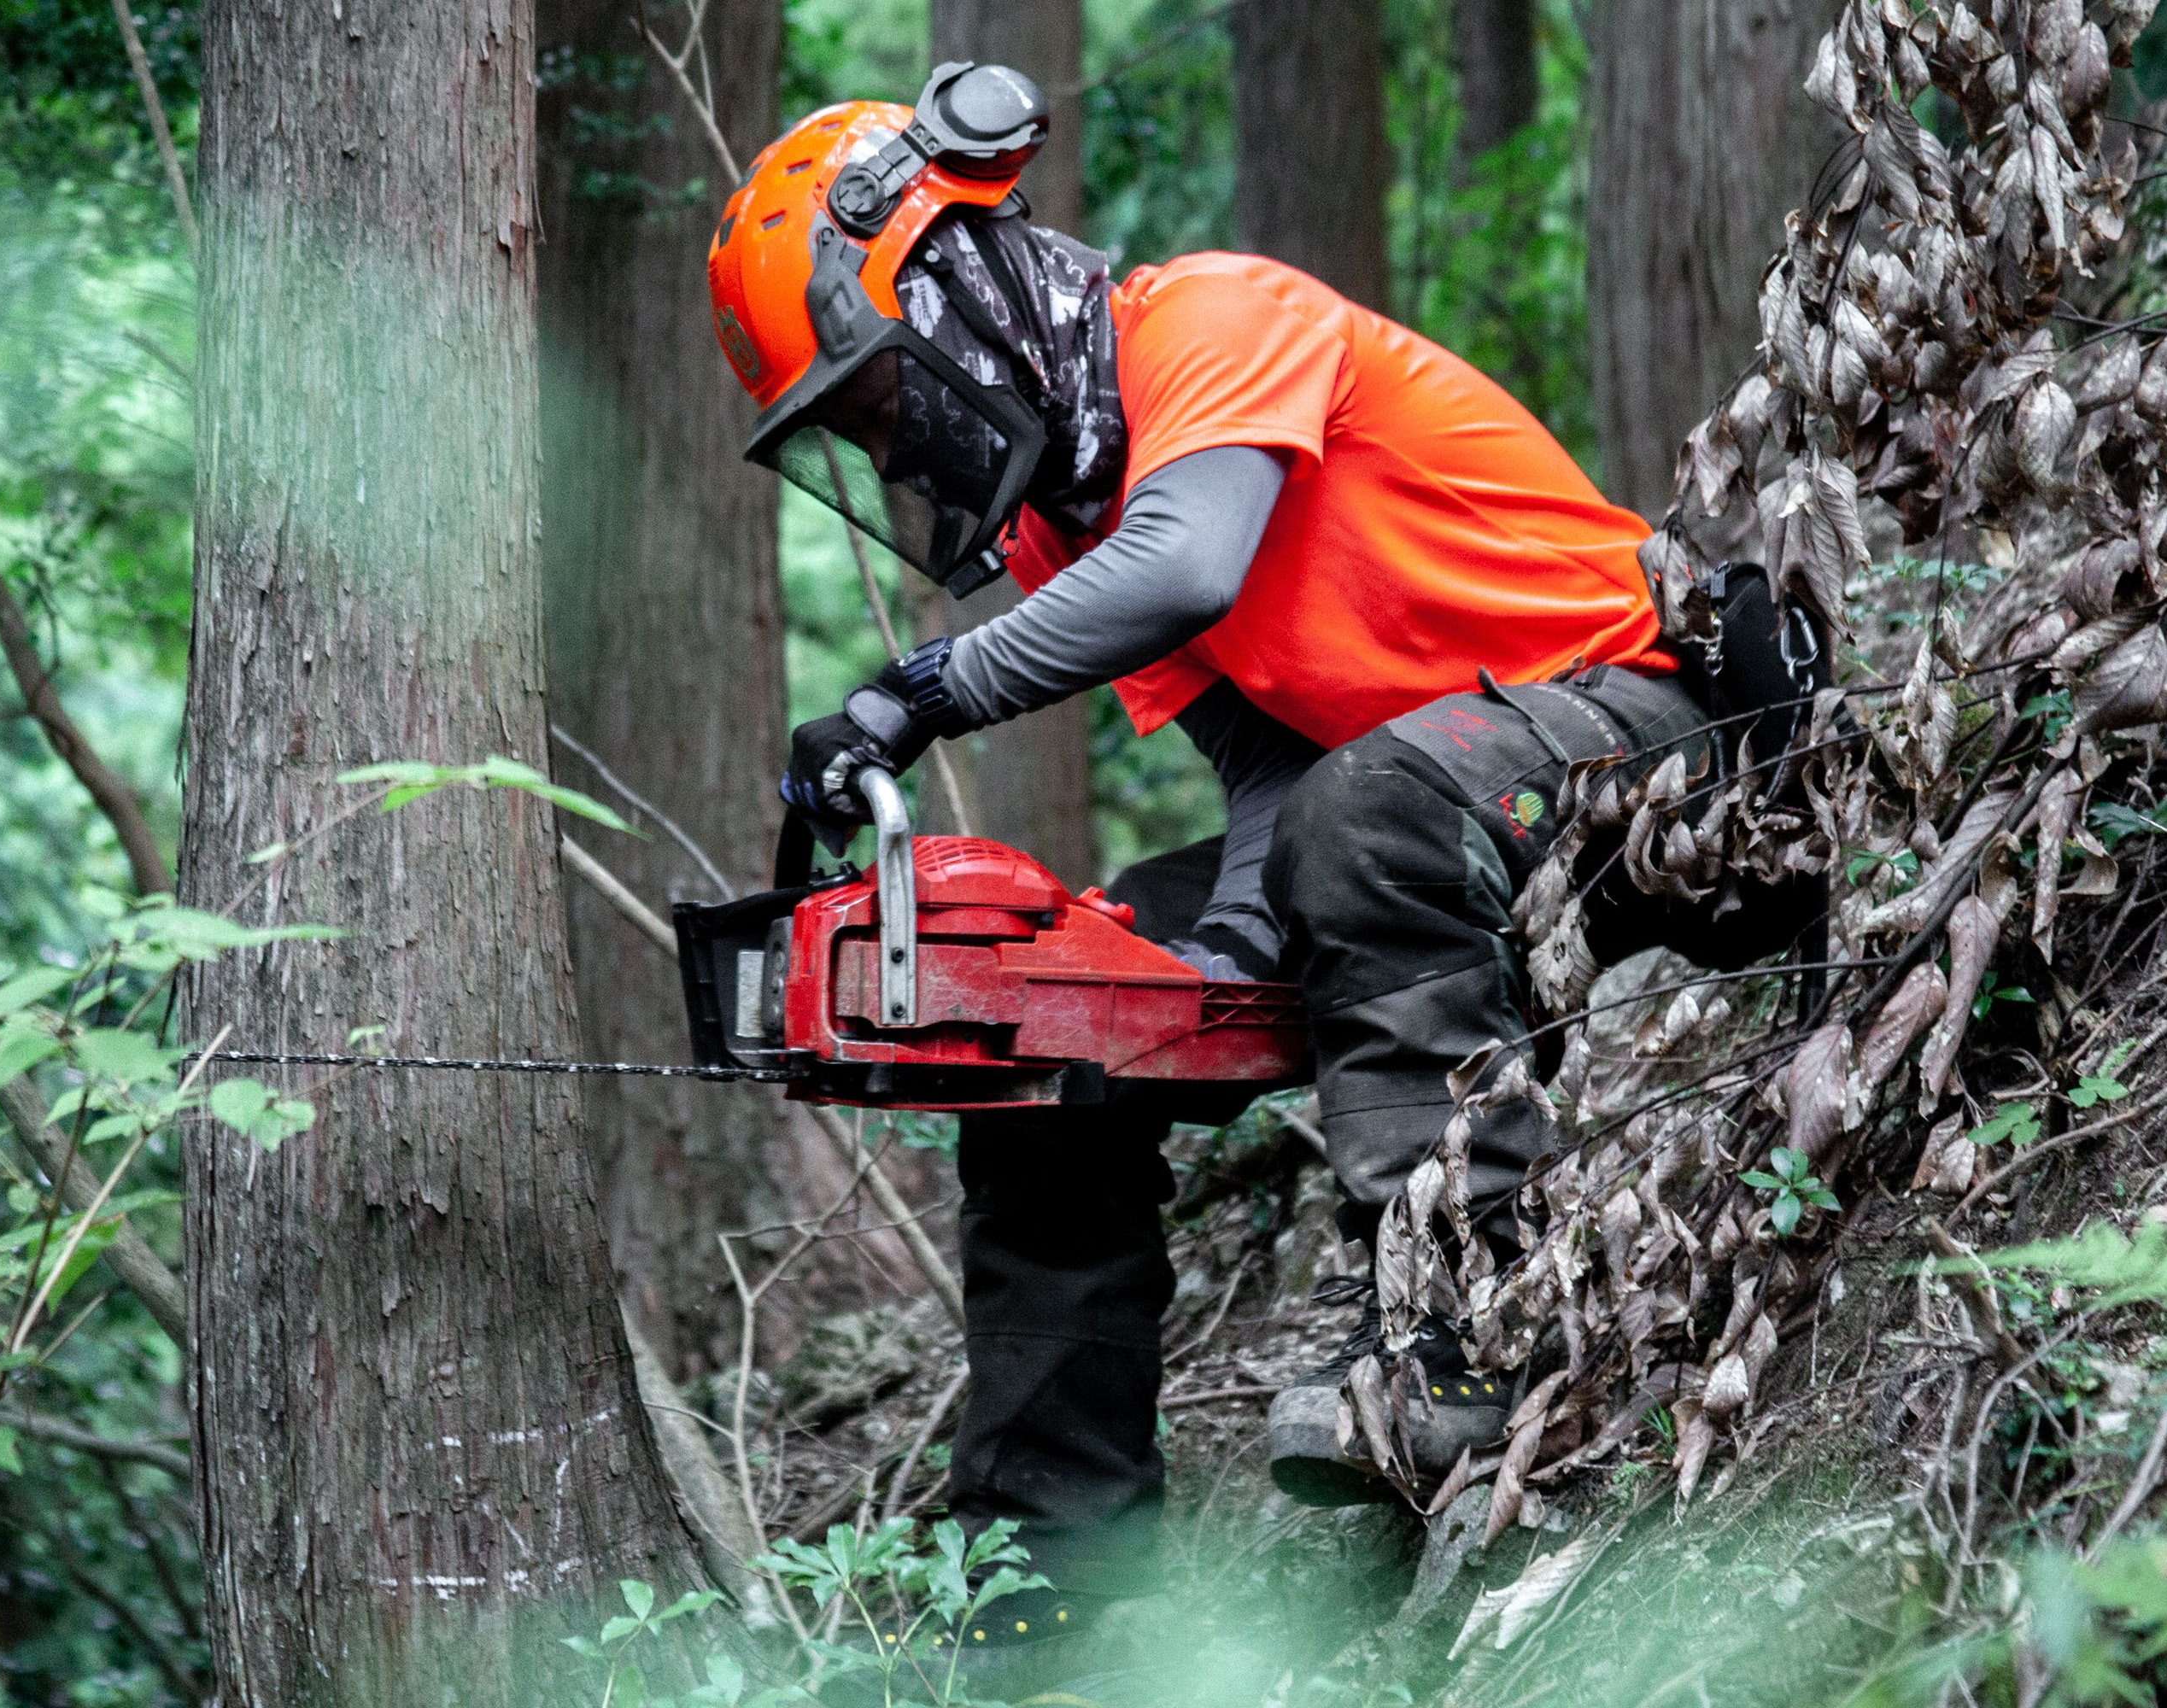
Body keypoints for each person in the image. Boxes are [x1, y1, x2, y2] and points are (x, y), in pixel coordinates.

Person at [703, 63, 1819, 1646]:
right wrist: (1220, 950)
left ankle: (1452, 1337)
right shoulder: (1061, 526)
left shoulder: (1209, 322)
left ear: (948, 282)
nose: (901, 449)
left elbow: (1190, 566)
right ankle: (1048, 1572)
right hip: (1407, 814)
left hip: (1643, 731)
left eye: (886, 398)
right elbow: (1265, 751)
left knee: (1380, 800)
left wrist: (917, 692)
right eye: (866, 428)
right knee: (1055, 999)